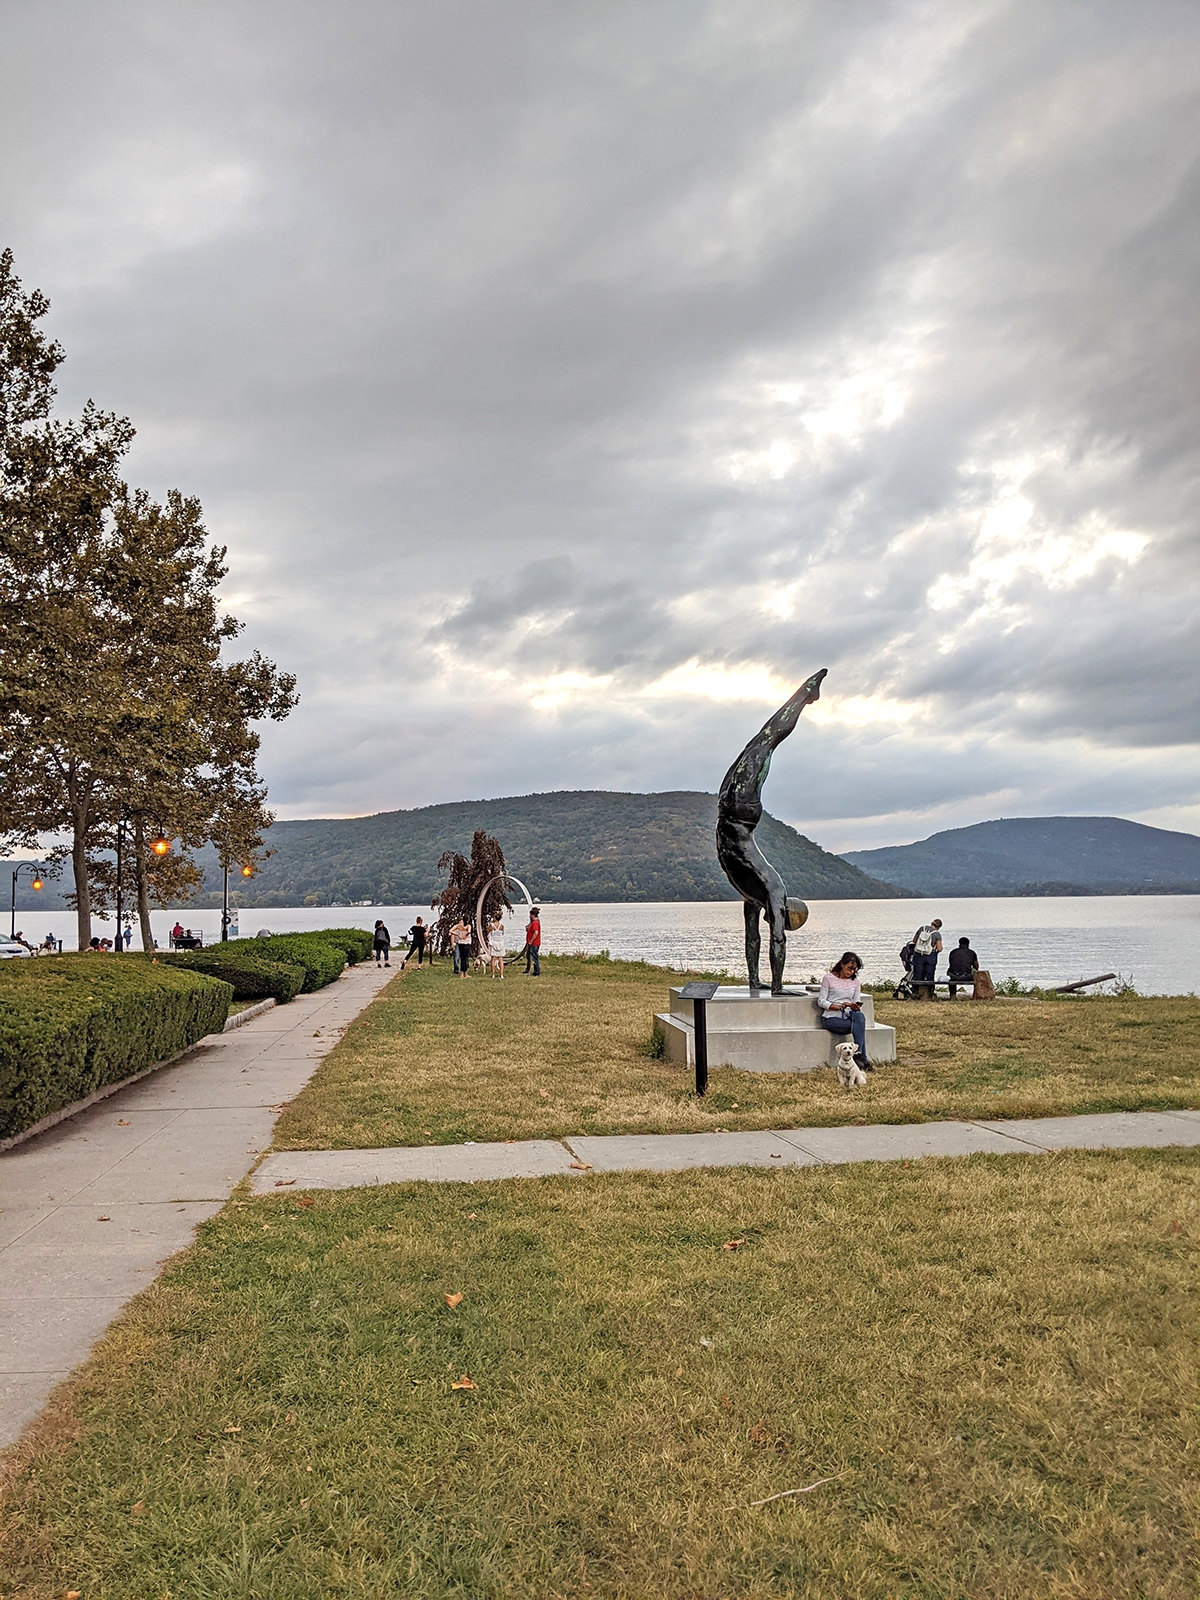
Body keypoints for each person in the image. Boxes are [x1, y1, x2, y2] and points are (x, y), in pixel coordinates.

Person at [716, 669, 826, 993]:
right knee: (766, 740)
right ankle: (806, 693)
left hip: (733, 814)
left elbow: (754, 936)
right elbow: (775, 939)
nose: (776, 920)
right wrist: (777, 987)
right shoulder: (772, 890)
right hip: (736, 814)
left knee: (764, 740)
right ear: (784, 910)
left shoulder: (757, 895)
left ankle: (805, 694)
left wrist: (759, 982)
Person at [817, 952, 872, 1071]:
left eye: (854, 970)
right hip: (831, 1016)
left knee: (859, 1017)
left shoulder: (855, 982)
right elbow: (821, 1001)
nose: (851, 972)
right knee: (859, 1026)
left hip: (849, 1014)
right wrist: (836, 1007)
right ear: (842, 965)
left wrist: (854, 1006)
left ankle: (858, 1054)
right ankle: (862, 1058)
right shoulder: (829, 978)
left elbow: (856, 1000)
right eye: (849, 968)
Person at [910, 918, 943, 1000]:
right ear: (939, 927)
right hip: (930, 956)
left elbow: (914, 941)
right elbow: (939, 948)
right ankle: (929, 993)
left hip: (918, 954)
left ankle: (915, 992)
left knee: (917, 973)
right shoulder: (937, 934)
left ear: (932, 923)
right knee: (930, 974)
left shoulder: (922, 928)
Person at [524, 906, 541, 975]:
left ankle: (536, 971)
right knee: (530, 955)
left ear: (533, 915)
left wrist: (531, 940)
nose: (529, 916)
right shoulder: (533, 922)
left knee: (534, 957)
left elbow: (536, 932)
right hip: (532, 942)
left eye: (530, 915)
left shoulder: (535, 923)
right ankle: (533, 970)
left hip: (534, 943)